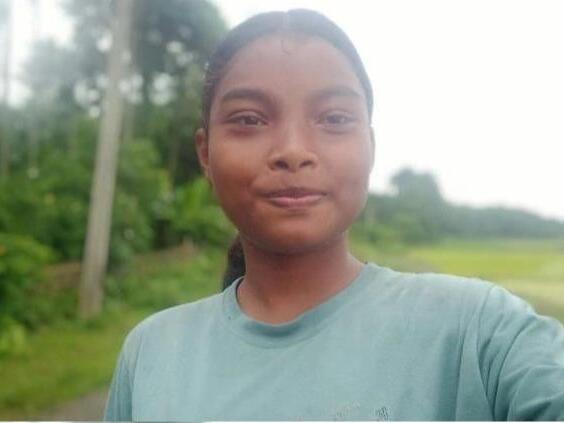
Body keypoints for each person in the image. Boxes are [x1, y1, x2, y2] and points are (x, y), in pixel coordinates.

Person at [104, 9, 564, 421]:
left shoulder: (480, 332)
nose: (292, 151)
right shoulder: (150, 353)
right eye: (249, 119)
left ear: (370, 147)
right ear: (206, 153)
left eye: (335, 118)